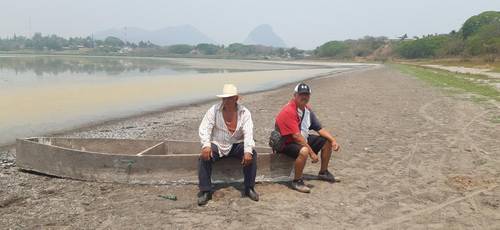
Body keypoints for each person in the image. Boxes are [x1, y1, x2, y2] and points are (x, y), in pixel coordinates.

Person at [197, 84, 258, 206]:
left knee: (252, 154)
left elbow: (248, 132)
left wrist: (247, 151)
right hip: (218, 144)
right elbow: (205, 128)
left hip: (236, 144)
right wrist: (206, 145)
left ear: (236, 98)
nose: (226, 101)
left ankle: (249, 188)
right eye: (224, 98)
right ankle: (206, 191)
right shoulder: (213, 110)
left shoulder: (244, 113)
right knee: (203, 157)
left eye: (230, 98)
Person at [275, 83, 341, 193]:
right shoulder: (289, 111)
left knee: (326, 142)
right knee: (304, 151)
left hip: (301, 138)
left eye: (306, 95)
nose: (304, 97)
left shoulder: (307, 110)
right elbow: (296, 137)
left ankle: (323, 172)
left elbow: (319, 129)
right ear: (295, 95)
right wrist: (312, 153)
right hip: (285, 143)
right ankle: (297, 181)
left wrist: (333, 140)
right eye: (301, 94)